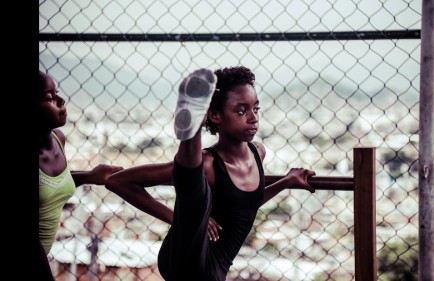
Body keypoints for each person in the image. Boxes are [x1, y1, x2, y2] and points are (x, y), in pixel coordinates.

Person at [105, 66, 316, 281]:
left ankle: (190, 134)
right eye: (242, 111)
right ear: (215, 115)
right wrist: (177, 219)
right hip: (187, 253)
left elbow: (245, 207)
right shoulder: (209, 162)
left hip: (218, 266)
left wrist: (285, 182)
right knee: (197, 188)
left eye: (256, 109)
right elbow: (117, 182)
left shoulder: (258, 153)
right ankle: (191, 135)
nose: (253, 118)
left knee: (198, 189)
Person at [38, 70, 124, 281]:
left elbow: (51, 184)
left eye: (56, 93)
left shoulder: (58, 139)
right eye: (50, 98)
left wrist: (89, 176)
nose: (61, 100)